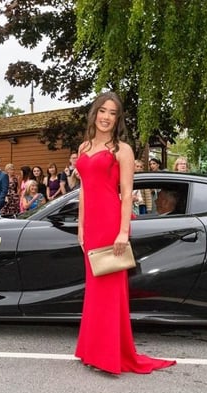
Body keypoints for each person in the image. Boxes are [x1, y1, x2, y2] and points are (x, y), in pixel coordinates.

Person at [74, 91, 175, 375]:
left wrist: (123, 232)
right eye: (102, 111)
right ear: (94, 113)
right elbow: (83, 190)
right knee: (94, 290)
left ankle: (109, 356)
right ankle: (93, 351)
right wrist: (80, 227)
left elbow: (128, 193)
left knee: (108, 291)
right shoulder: (83, 148)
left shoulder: (123, 150)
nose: (106, 117)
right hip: (91, 226)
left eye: (113, 113)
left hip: (110, 222)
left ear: (117, 119)